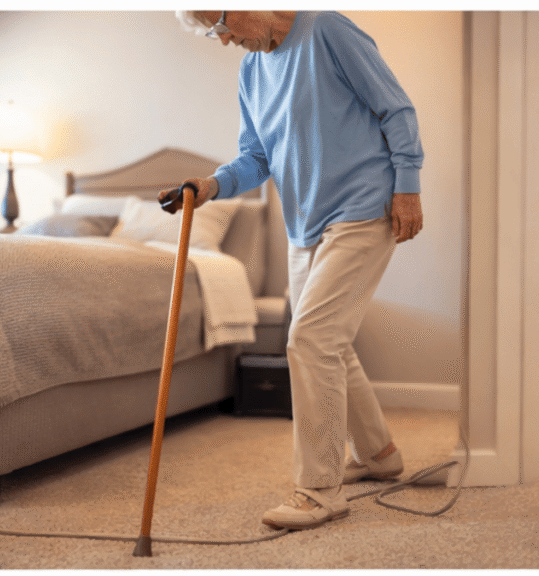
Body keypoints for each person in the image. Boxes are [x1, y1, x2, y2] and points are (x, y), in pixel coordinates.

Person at [168, 10, 424, 530]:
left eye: (219, 26)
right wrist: (211, 185)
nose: (224, 42)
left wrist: (408, 185)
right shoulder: (251, 73)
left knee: (310, 339)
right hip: (304, 225)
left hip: (363, 206)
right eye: (213, 34)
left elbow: (395, 108)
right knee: (326, 341)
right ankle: (379, 454)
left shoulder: (325, 29)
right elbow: (255, 158)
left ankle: (319, 489)